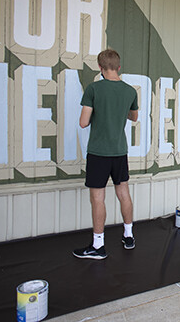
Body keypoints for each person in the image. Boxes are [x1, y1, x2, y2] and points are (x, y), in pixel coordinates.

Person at [73, 49, 139, 260]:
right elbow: (134, 117)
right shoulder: (130, 91)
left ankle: (98, 246)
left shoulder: (93, 89)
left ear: (100, 68)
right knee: (123, 193)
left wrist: (100, 111)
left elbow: (83, 122)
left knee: (97, 198)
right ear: (119, 67)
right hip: (119, 151)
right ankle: (129, 236)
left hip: (99, 153)